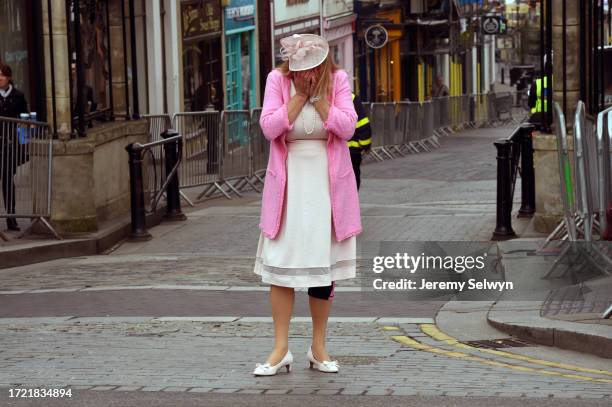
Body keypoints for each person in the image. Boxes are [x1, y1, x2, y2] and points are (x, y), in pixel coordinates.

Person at [253, 34, 360, 376]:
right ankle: (280, 348)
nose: (309, 73)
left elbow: (347, 127)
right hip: (288, 188)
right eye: (302, 69)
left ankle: (318, 346)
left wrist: (319, 98)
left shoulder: (339, 80)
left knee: (322, 268)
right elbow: (269, 127)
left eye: (314, 68)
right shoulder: (277, 80)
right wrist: (299, 97)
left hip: (328, 188)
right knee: (281, 266)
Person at [0, 63, 29, 231]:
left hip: (10, 145)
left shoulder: (18, 96)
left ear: (9, 77)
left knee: (8, 180)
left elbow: (24, 119)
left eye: (2, 76)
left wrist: (24, 142)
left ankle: (11, 216)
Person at [347, 93, 372, 190]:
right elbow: (363, 123)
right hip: (352, 152)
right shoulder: (350, 97)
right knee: (352, 184)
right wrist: (365, 144)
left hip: (330, 152)